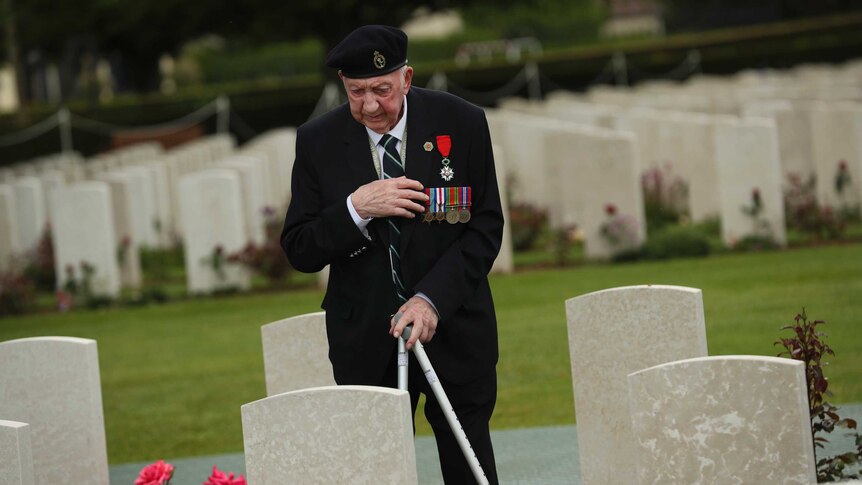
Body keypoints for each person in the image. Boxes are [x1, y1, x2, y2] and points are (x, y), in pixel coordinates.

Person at [281, 24, 504, 484]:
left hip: (455, 328)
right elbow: (300, 248)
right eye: (355, 91)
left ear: (407, 78)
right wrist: (355, 209)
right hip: (364, 336)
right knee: (376, 471)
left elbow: (483, 227)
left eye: (381, 90)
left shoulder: (461, 122)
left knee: (469, 466)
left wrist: (430, 300)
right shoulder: (317, 140)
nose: (368, 105)